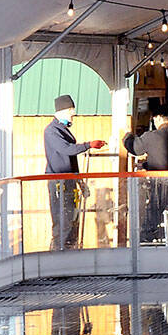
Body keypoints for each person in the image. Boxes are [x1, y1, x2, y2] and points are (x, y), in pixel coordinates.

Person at [124, 99, 168, 241]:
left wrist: (127, 136)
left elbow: (134, 148)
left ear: (157, 118)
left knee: (154, 213)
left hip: (160, 183)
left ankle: (145, 240)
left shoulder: (151, 137)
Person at [43, 95, 106, 250]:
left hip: (68, 181)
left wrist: (79, 181)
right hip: (59, 182)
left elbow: (71, 159)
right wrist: (88, 145)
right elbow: (67, 150)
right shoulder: (52, 131)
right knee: (62, 220)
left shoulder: (62, 130)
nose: (73, 115)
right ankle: (58, 253)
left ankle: (69, 251)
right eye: (71, 111)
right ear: (62, 111)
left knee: (71, 218)